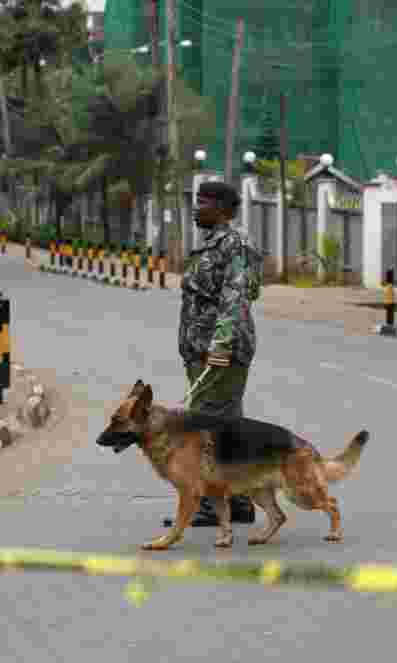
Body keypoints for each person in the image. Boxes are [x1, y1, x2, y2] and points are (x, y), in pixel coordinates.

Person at [175, 180, 257, 527]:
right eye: (197, 201)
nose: (197, 207)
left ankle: (212, 503)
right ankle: (237, 502)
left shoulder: (234, 244)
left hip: (220, 351)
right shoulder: (211, 245)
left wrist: (221, 345)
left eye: (204, 202)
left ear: (223, 209)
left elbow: (236, 297)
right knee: (226, 425)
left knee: (207, 426)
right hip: (202, 349)